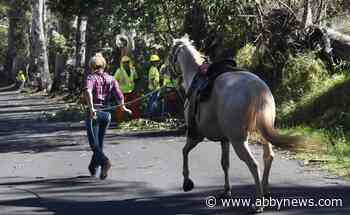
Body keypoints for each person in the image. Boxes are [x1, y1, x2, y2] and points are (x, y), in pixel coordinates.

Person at [85, 53, 132, 180]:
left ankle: (105, 162)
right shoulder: (111, 79)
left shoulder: (91, 78)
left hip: (94, 114)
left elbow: (88, 91)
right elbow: (119, 95)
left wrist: (91, 109)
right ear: (104, 65)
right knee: (99, 143)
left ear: (92, 65)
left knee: (93, 144)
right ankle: (93, 166)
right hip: (106, 114)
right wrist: (123, 107)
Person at [113, 56, 140, 121]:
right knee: (121, 107)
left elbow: (136, 79)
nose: (126, 64)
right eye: (124, 62)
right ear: (122, 63)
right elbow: (114, 81)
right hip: (122, 92)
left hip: (132, 91)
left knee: (135, 105)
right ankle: (120, 121)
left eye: (127, 62)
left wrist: (137, 90)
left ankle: (135, 120)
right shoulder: (119, 71)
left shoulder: (133, 70)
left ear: (129, 62)